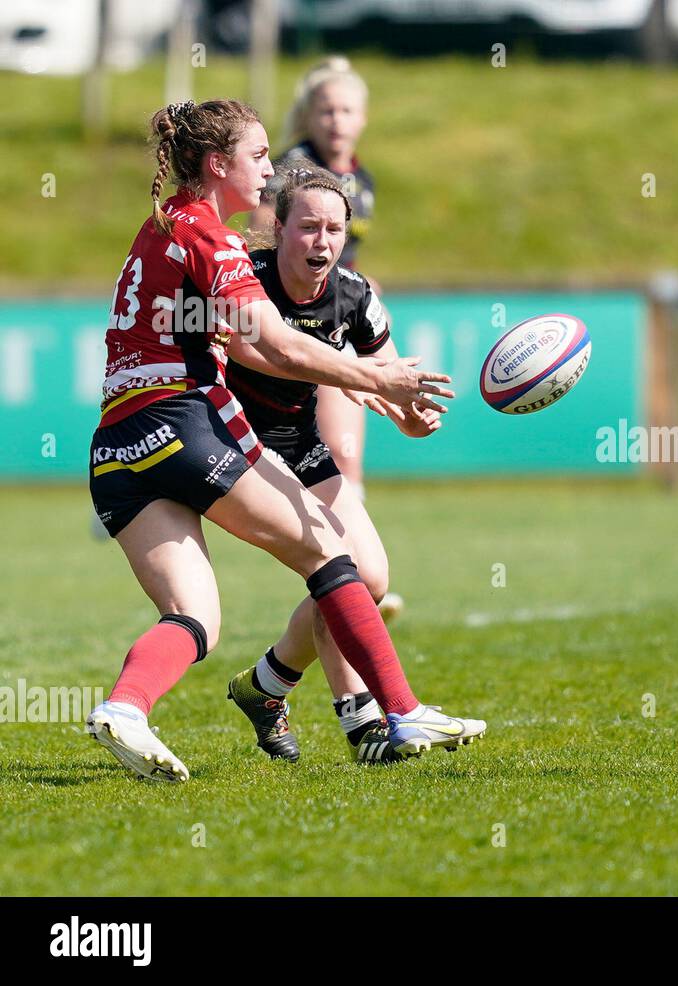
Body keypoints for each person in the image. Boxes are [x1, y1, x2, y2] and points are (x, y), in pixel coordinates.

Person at [85, 99, 485, 783]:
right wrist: (377, 377)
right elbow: (271, 343)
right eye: (260, 155)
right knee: (327, 550)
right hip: (184, 420)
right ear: (218, 165)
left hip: (115, 446)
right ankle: (399, 711)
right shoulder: (213, 237)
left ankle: (125, 708)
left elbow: (265, 346)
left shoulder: (159, 226)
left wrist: (368, 382)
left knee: (194, 618)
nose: (271, 168)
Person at [225, 165, 438, 764]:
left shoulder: (356, 296)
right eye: (309, 227)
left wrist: (409, 416)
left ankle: (265, 686)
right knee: (336, 567)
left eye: (335, 229)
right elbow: (259, 352)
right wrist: (352, 374)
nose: (322, 241)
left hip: (297, 442)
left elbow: (389, 377)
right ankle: (361, 720)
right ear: (279, 228)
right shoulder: (244, 280)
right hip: (229, 442)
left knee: (369, 578)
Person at [250, 60, 383, 606]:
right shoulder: (291, 167)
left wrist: (356, 290)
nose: (335, 120)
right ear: (309, 114)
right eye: (326, 109)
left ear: (363, 118)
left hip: (334, 318)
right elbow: (260, 231)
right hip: (280, 317)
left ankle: (355, 570)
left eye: (346, 110)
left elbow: (347, 260)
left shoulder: (364, 180)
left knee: (345, 452)